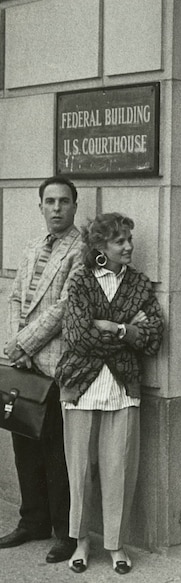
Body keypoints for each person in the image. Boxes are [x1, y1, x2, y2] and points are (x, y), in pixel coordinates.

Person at [55, 213, 163, 574]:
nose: (129, 246)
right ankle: (81, 542)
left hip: (122, 389)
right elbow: (77, 336)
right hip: (81, 386)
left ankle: (116, 545)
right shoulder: (81, 280)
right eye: (120, 241)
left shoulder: (139, 284)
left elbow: (153, 339)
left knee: (119, 469)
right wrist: (130, 330)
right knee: (80, 470)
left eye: (129, 239)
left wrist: (113, 327)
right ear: (100, 247)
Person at [0, 176, 82, 563]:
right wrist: (16, 343)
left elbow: (64, 307)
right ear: (40, 206)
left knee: (56, 453)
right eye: (49, 201)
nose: (56, 208)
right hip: (24, 365)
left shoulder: (82, 250)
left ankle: (65, 533)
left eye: (63, 201)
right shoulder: (33, 245)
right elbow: (16, 295)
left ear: (74, 207)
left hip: (54, 366)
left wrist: (25, 343)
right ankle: (32, 520)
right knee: (24, 445)